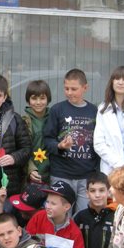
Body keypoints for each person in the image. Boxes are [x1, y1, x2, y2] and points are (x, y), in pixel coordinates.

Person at [44, 69, 99, 213]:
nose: (69, 92)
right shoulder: (57, 110)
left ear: (85, 88)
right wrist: (59, 146)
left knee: (83, 215)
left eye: (74, 89)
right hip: (61, 174)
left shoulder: (94, 111)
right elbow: (47, 139)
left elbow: (99, 143)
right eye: (66, 88)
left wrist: (96, 172)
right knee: (61, 215)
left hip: (86, 175)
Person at [73, 172, 115, 248]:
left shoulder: (116, 216)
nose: (97, 195)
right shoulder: (80, 217)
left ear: (108, 192)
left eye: (101, 190)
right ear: (87, 193)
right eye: (92, 191)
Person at [22, 79, 51, 185]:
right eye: (34, 98)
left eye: (42, 98)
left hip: (52, 173)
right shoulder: (23, 121)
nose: (38, 102)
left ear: (48, 99)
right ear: (28, 100)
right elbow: (22, 149)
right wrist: (31, 169)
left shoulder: (54, 118)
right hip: (31, 174)